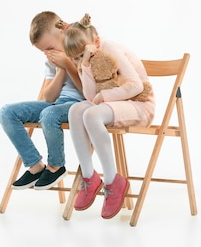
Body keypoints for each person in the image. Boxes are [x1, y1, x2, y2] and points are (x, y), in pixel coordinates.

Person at [62, 14, 155, 219]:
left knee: (92, 115)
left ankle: (113, 181)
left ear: (95, 42)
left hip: (139, 104)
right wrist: (85, 64)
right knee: (76, 110)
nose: (77, 60)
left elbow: (136, 86)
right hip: (113, 103)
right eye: (74, 58)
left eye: (80, 55)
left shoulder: (110, 49)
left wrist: (104, 96)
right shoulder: (86, 59)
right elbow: (89, 96)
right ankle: (90, 178)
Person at [0, 11, 84, 190]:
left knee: (48, 113)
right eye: (43, 51)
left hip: (80, 105)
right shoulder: (52, 62)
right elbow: (48, 97)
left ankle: (56, 166)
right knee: (7, 112)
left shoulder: (82, 50)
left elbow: (89, 92)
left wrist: (68, 64)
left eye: (50, 48)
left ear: (62, 33)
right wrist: (60, 69)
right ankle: (35, 166)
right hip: (55, 105)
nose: (47, 53)